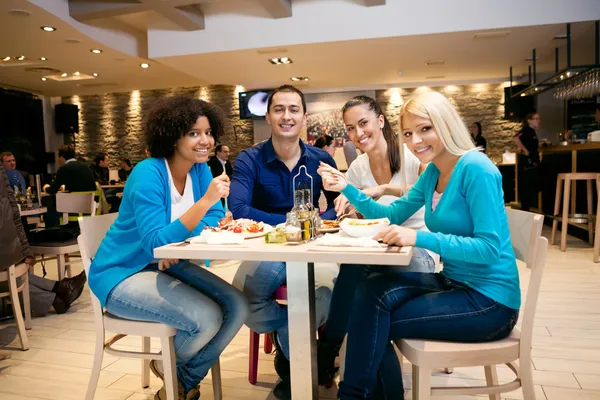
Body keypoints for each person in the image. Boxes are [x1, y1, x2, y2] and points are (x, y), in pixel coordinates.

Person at [318, 90, 520, 399]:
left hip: (490, 303)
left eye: (425, 129)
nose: (415, 141)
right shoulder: (435, 172)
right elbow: (390, 214)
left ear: (446, 124)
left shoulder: (477, 169)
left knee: (372, 318)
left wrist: (418, 237)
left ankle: (352, 394)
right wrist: (347, 186)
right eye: (409, 133)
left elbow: (489, 248)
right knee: (368, 293)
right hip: (454, 284)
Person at [87, 96, 248, 400]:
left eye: (209, 132)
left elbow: (210, 220)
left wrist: (175, 241)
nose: (206, 141)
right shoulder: (148, 173)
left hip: (164, 261)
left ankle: (179, 377)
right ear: (172, 135)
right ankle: (179, 382)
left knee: (238, 306)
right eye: (194, 133)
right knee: (208, 318)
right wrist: (202, 205)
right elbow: (156, 241)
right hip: (121, 272)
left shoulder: (199, 170)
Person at [317, 96, 437, 392]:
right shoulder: (357, 167)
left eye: (363, 123)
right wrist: (350, 207)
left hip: (418, 252)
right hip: (378, 250)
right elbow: (365, 217)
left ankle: (328, 347)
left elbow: (419, 195)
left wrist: (379, 189)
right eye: (351, 128)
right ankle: (342, 363)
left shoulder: (412, 155)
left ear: (380, 121)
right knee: (359, 286)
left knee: (358, 284)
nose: (358, 134)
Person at [229, 85, 339, 399]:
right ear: (268, 115)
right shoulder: (250, 158)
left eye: (293, 109)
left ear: (304, 117)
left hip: (313, 247)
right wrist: (297, 223)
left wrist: (321, 218)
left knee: (331, 293)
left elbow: (337, 204)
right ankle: (298, 346)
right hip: (266, 246)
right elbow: (238, 209)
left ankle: (292, 371)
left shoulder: (321, 158)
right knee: (244, 302)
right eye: (279, 109)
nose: (286, 116)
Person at [0, 165, 87, 318]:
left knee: (8, 274)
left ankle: (57, 293)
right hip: (8, 248)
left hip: (6, 249)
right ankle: (57, 292)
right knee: (10, 273)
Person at [514, 112, 541, 212]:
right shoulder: (527, 130)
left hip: (532, 163)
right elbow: (516, 138)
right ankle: (526, 213)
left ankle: (527, 212)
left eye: (539, 119)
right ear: (529, 120)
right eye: (536, 119)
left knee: (530, 189)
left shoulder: (532, 132)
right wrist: (524, 150)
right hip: (527, 164)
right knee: (527, 190)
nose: (539, 121)